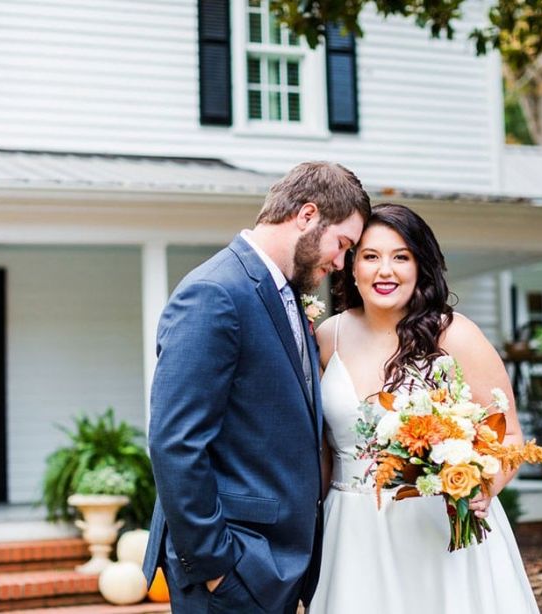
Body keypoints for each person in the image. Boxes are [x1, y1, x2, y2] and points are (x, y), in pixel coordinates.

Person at [142, 161, 371, 613]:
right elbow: (175, 442)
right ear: (307, 216)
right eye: (342, 244)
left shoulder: (278, 291)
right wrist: (216, 568)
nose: (342, 262)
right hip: (235, 569)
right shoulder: (215, 292)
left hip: (271, 564)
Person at [310, 203, 539, 613]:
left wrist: (482, 486)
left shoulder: (455, 334)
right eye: (371, 256)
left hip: (438, 528)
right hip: (351, 532)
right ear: (352, 266)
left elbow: (508, 434)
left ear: (420, 266)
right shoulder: (330, 336)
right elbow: (323, 448)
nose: (386, 270)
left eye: (401, 257)